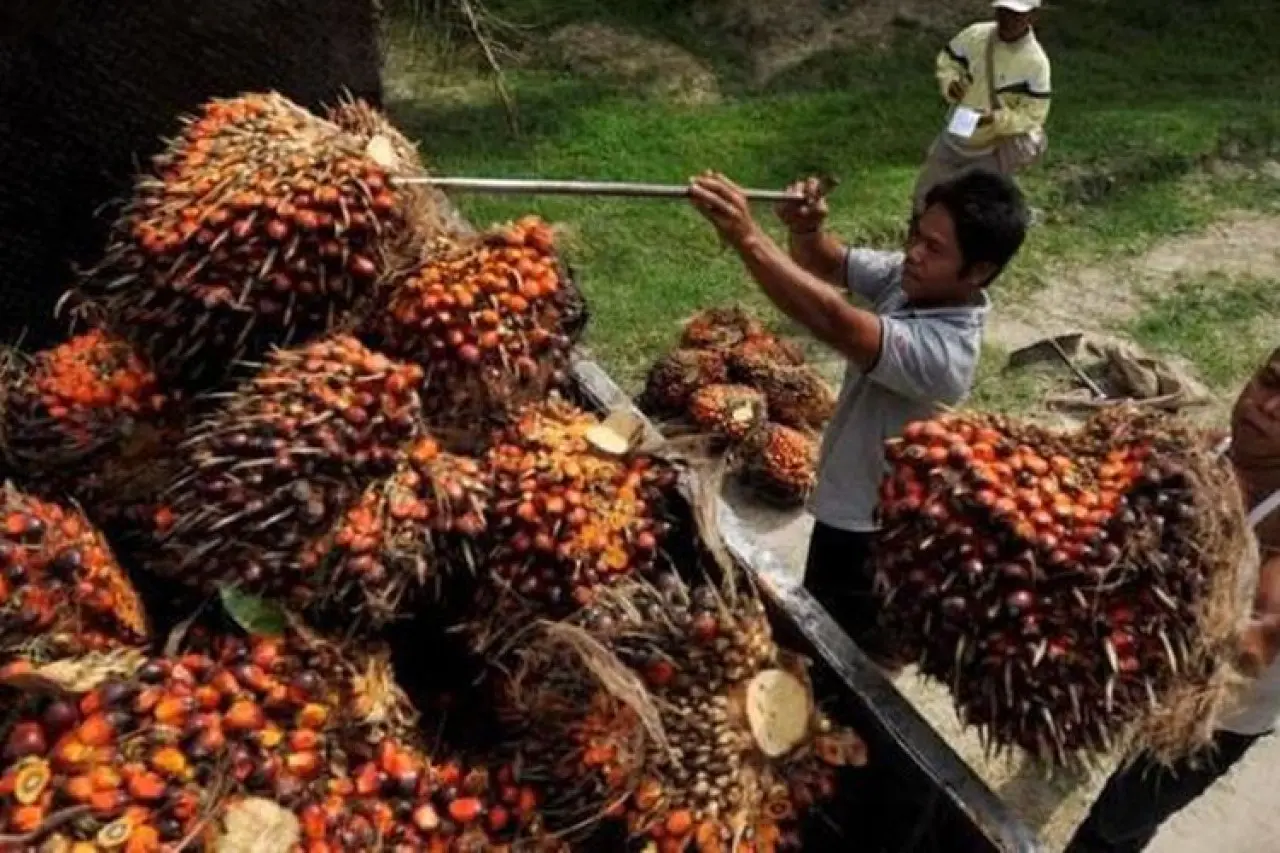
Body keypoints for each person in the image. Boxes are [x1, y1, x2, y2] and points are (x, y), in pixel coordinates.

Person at [688, 168, 1029, 663]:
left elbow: (832, 318)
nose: (914, 251)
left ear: (977, 271)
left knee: (839, 655)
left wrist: (747, 235)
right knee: (823, 634)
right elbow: (829, 263)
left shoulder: (945, 353)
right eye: (916, 234)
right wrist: (806, 230)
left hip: (871, 531)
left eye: (934, 248)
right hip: (848, 499)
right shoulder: (915, 280)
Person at [1065, 346, 1280, 853]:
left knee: (1115, 826)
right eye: (1269, 382)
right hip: (1158, 667)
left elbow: (1255, 647)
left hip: (1217, 713)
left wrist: (1159, 607)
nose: (1267, 407)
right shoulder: (1216, 451)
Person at [913, 0, 1052, 213]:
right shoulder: (976, 35)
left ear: (1032, 17)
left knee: (974, 208)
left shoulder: (1035, 62)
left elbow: (1034, 113)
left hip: (992, 145)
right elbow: (948, 61)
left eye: (1016, 14)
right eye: (1003, 12)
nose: (1008, 19)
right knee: (926, 197)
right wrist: (950, 84)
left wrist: (995, 119)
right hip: (958, 132)